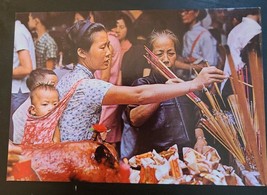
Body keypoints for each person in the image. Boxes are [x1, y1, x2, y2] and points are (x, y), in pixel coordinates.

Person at [57, 20, 226, 143]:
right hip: (72, 160)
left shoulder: (69, 78)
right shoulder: (87, 86)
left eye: (109, 45)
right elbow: (139, 95)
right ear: (81, 52)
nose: (109, 52)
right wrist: (194, 83)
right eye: (102, 47)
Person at [121, 29, 207, 158]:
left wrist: (200, 139)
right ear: (149, 58)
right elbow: (135, 119)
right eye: (159, 54)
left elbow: (197, 120)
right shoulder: (143, 84)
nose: (165, 59)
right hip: (157, 158)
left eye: (170, 53)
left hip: (187, 157)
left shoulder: (185, 85)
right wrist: (163, 93)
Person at [12, 69, 58, 144]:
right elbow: (20, 143)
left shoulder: (54, 104)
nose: (57, 87)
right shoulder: (20, 114)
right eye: (52, 85)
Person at [10, 19, 36, 141]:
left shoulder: (17, 31)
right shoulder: (19, 29)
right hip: (18, 91)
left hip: (18, 91)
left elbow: (26, 68)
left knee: (15, 139)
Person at [178, 9, 218, 80]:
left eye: (186, 11)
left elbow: (210, 64)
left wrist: (183, 66)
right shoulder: (186, 35)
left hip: (202, 82)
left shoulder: (205, 35)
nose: (182, 14)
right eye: (181, 11)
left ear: (196, 13)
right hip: (189, 79)